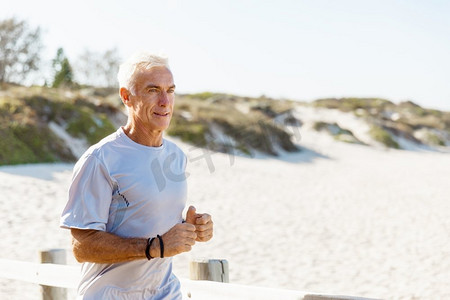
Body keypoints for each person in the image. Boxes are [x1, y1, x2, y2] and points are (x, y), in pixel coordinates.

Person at [60, 52, 213, 299]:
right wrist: (156, 247)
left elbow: (149, 218)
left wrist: (193, 229)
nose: (165, 101)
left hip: (165, 292)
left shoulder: (176, 155)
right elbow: (82, 246)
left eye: (170, 90)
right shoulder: (101, 159)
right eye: (153, 90)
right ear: (126, 97)